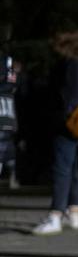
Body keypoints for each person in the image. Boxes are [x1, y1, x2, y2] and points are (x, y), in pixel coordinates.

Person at [31, 26, 78, 235]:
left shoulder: (71, 65)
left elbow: (71, 97)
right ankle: (73, 211)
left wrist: (60, 114)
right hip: (77, 124)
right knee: (71, 170)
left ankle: (56, 215)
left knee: (61, 169)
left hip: (67, 125)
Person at [0, 52, 20, 190]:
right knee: (6, 148)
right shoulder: (11, 80)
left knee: (4, 147)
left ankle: (12, 174)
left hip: (5, 116)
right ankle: (12, 174)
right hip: (8, 116)